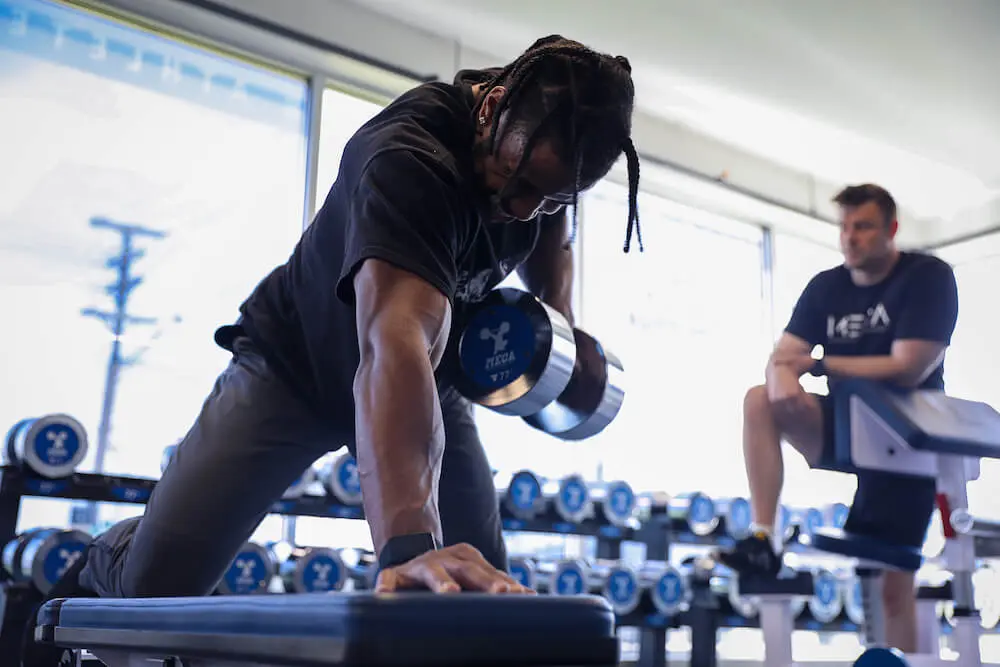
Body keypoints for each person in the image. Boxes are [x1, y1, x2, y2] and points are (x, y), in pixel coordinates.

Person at [21, 35, 643, 666]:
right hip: (294, 368)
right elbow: (391, 346)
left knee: (473, 588)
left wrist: (559, 319)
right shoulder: (408, 160)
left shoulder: (537, 144)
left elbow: (544, 224)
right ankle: (111, 551)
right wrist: (407, 548)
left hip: (429, 382)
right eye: (519, 183)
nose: (521, 210)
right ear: (494, 106)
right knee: (156, 587)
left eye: (550, 196)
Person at [716, 183, 959, 652]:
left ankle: (901, 661)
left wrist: (821, 366)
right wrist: (779, 378)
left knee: (890, 588)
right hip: (847, 428)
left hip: (909, 440)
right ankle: (763, 539)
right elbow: (783, 356)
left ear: (891, 229)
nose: (851, 237)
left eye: (863, 227)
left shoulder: (927, 276)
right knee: (757, 400)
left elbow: (908, 368)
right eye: (845, 227)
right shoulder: (827, 286)